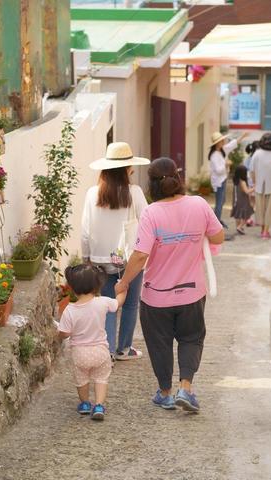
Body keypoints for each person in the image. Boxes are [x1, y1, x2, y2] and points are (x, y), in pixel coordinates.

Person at [115, 157, 225, 413]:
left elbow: (141, 255)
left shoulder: (152, 213)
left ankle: (165, 393)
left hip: (156, 297)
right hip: (192, 293)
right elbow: (218, 235)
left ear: (152, 184)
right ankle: (185, 387)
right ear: (178, 177)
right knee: (191, 339)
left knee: (159, 343)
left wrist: (124, 282)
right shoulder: (198, 204)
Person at [83, 142, 149, 361]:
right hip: (128, 259)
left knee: (107, 303)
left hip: (100, 259)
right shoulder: (135, 192)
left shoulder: (93, 193)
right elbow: (148, 221)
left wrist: (87, 258)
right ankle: (124, 349)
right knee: (130, 304)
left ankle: (107, 350)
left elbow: (85, 230)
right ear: (127, 169)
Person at [58, 264, 127, 421]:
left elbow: (64, 333)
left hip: (80, 354)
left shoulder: (70, 310)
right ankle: (99, 405)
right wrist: (122, 290)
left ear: (73, 288)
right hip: (100, 352)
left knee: (81, 380)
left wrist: (60, 335)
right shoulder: (102, 302)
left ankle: (85, 404)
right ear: (97, 286)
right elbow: (118, 303)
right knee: (101, 378)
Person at [208, 130, 249, 228]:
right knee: (219, 202)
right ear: (217, 143)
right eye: (221, 141)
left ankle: (217, 219)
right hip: (218, 181)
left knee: (222, 201)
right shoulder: (214, 155)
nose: (223, 142)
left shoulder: (222, 151)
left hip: (222, 179)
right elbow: (218, 170)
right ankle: (216, 222)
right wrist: (226, 164)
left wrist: (242, 136)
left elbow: (232, 145)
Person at [231, 165, 254, 235]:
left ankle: (238, 227)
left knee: (237, 215)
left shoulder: (236, 181)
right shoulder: (242, 182)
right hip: (243, 201)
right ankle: (240, 227)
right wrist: (254, 188)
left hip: (236, 200)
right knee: (247, 215)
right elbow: (246, 191)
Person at [243, 141, 260, 227]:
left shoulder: (247, 158)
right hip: (257, 182)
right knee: (258, 202)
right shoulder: (259, 158)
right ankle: (256, 220)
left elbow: (245, 171)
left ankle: (249, 219)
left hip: (249, 182)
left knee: (251, 202)